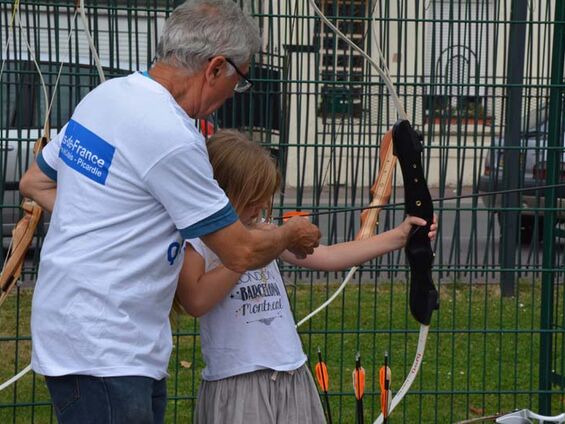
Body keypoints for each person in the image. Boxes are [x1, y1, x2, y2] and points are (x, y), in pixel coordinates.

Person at [18, 1, 320, 423]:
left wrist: (112, 218)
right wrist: (291, 234)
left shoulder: (105, 98)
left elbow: (36, 180)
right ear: (215, 67)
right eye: (240, 80)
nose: (233, 95)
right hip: (109, 349)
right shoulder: (172, 135)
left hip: (83, 337)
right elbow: (239, 252)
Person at [175, 130, 438, 424]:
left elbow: (328, 257)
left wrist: (400, 236)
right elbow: (195, 300)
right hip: (238, 381)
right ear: (224, 192)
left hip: (291, 374)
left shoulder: (262, 230)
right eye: (251, 200)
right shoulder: (201, 237)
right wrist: (246, 253)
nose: (260, 208)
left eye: (263, 200)